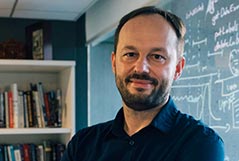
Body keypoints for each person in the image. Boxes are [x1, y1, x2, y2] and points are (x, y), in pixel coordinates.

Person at [61, 6, 224, 161]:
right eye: (130, 54)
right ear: (114, 63)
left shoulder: (201, 143)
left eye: (157, 56)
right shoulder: (82, 145)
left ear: (178, 68)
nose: (140, 68)